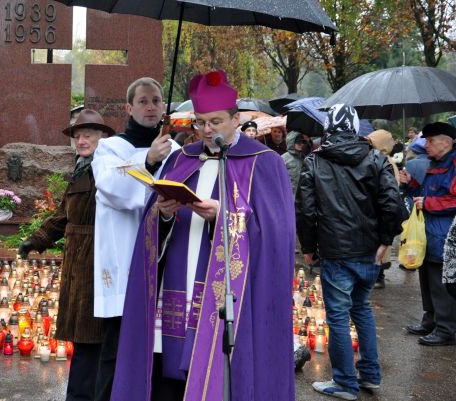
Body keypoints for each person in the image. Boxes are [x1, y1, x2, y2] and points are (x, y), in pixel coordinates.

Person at [111, 70, 296, 401]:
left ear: (235, 119)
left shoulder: (264, 163)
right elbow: (151, 228)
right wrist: (164, 214)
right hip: (176, 287)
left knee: (220, 373)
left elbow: (275, 238)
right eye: (200, 122)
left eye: (215, 122)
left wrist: (221, 217)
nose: (207, 130)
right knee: (168, 380)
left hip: (228, 298)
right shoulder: (181, 159)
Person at [296, 104, 402, 400]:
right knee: (363, 311)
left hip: (336, 253)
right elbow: (393, 203)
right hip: (369, 252)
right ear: (355, 127)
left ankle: (345, 383)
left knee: (340, 318)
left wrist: (308, 248)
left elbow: (305, 210)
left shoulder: (314, 161)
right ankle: (370, 376)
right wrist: (385, 240)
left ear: (328, 127)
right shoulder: (375, 159)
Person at [91, 77, 179, 401]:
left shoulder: (178, 151)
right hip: (125, 263)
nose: (151, 106)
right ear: (129, 107)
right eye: (142, 101)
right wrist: (149, 161)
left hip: (165, 265)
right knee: (117, 352)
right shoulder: (110, 148)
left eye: (156, 100)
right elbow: (111, 186)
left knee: (159, 353)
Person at [18, 109, 115, 401]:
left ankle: (84, 395)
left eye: (88, 135)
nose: (82, 141)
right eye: (78, 136)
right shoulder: (81, 168)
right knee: (83, 337)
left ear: (103, 137)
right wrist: (35, 240)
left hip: (97, 260)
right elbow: (63, 216)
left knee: (91, 337)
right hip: (77, 261)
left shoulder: (106, 169)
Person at [400, 122, 456, 346]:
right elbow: (423, 195)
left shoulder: (453, 164)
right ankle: (430, 320)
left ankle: (446, 329)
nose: (426, 144)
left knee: (441, 281)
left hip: (446, 234)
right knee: (427, 279)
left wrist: (429, 203)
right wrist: (410, 185)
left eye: (431, 140)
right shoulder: (435, 163)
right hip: (429, 232)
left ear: (446, 141)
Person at [367, 129, 401, 288]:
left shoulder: (386, 162)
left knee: (381, 246)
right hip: (379, 209)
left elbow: (389, 192)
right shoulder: (380, 160)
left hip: (382, 211)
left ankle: (378, 277)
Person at [282, 130, 312, 194]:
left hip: (301, 196)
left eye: (303, 142)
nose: (301, 144)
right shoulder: (283, 158)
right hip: (287, 194)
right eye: (298, 142)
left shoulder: (304, 158)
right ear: (291, 142)